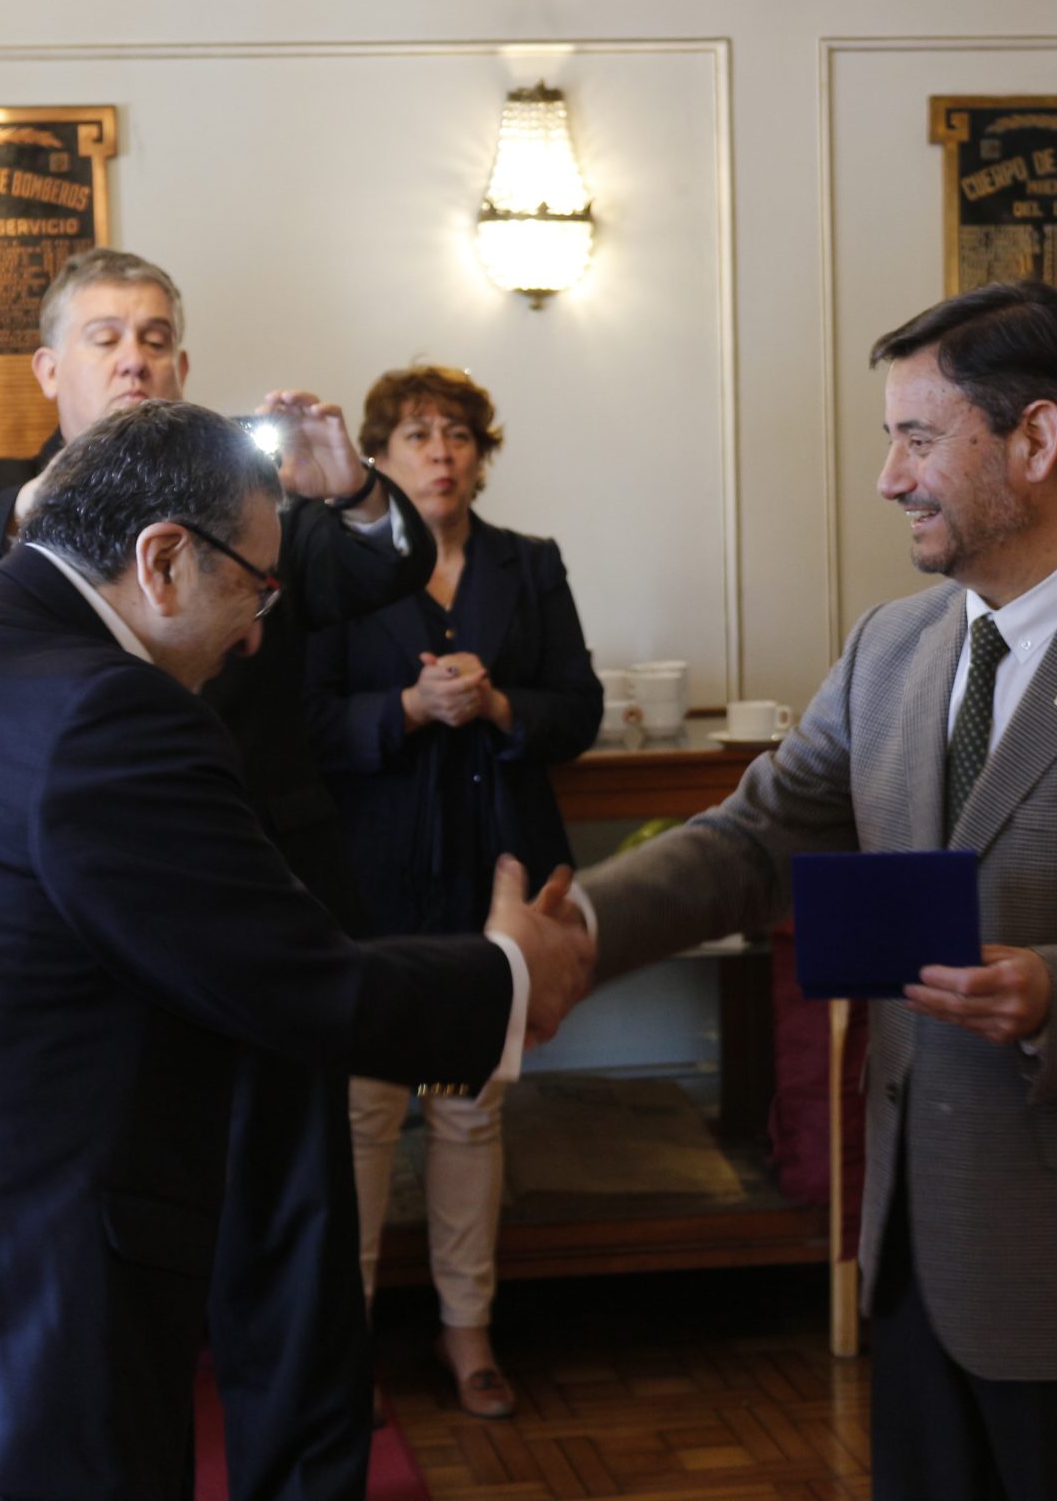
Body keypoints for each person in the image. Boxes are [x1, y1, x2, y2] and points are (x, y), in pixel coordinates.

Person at [0, 399, 596, 1501]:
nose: (258, 631)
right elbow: (293, 983)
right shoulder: (105, 712)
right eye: (255, 586)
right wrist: (511, 975)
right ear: (164, 558)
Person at [567, 279, 1057, 1501]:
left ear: (1034, 440)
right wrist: (579, 929)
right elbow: (756, 838)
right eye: (891, 440)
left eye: (918, 439)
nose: (888, 478)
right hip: (922, 1261)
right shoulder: (891, 648)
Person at [0, 247, 430, 1500]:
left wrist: (353, 489)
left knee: (288, 1256)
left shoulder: (253, 505)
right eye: (104, 338)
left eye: (152, 338)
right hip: (66, 959)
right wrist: (48, 503)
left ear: (183, 365)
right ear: (48, 369)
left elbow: (383, 567)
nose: (132, 359)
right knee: (88, 1262)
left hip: (250, 923)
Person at [306, 364, 601, 1418]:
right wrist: (407, 708)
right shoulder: (330, 566)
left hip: (495, 872)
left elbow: (578, 710)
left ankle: (465, 1329)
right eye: (416, 435)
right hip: (367, 875)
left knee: (472, 1110)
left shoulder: (529, 563)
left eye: (459, 434)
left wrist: (500, 705)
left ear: (481, 454)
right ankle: (342, 1345)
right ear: (377, 460)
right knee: (362, 1113)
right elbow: (300, 724)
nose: (440, 451)